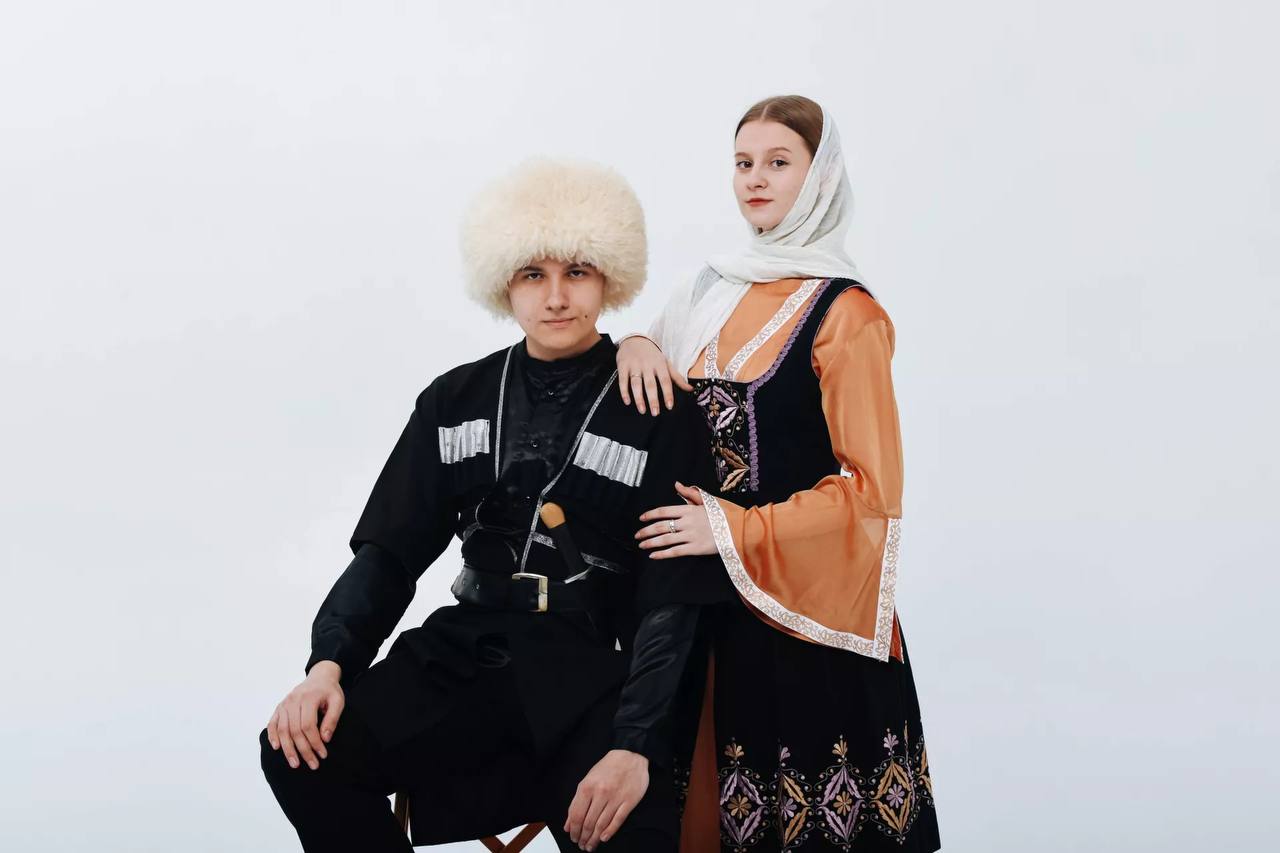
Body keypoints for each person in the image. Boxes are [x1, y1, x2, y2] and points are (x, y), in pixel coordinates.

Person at [258, 158, 731, 853]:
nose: (556, 297)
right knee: (299, 752)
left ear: (610, 276)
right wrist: (327, 664)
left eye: (577, 271)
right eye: (532, 274)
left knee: (630, 830)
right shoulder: (454, 400)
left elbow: (672, 599)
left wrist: (636, 745)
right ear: (502, 281)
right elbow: (388, 553)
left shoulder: (655, 406)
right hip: (463, 657)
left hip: (589, 676)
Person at [617, 96, 942, 851]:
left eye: (778, 162)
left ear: (819, 177)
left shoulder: (848, 313)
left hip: (806, 616)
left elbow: (873, 493)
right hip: (702, 609)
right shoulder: (709, 288)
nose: (755, 179)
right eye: (743, 163)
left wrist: (732, 528)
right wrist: (635, 341)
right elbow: (654, 365)